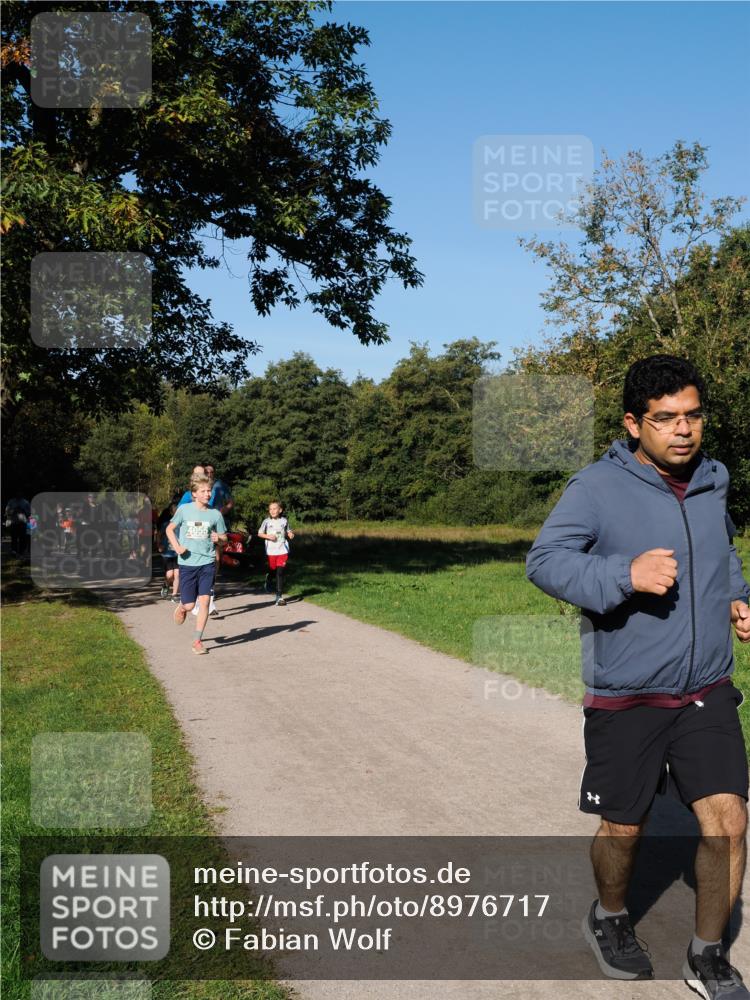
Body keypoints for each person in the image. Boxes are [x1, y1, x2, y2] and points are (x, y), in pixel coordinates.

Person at [526, 355, 750, 995]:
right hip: (628, 694)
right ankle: (612, 916)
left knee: (729, 820)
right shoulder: (595, 487)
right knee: (624, 827)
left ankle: (707, 953)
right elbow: (545, 562)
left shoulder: (713, 480)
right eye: (666, 419)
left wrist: (739, 595)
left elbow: (722, 552)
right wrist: (624, 576)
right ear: (633, 423)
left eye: (693, 415)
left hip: (705, 688)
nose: (683, 430)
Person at [166, 474, 227, 655]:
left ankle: (197, 641)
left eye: (209, 491)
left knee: (205, 601)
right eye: (204, 491)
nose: (208, 494)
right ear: (194, 493)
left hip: (207, 562)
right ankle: (183, 607)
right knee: (191, 605)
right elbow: (170, 529)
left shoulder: (215, 514)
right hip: (187, 563)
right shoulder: (184, 510)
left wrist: (220, 539)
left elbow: (224, 538)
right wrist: (177, 546)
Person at [258, 500, 295, 606]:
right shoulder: (266, 522)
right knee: (272, 569)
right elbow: (260, 533)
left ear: (280, 510)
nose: (272, 511)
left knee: (280, 572)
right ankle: (269, 578)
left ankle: (279, 597)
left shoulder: (284, 521)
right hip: (271, 550)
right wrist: (268, 536)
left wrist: (290, 534)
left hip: (282, 550)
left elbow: (288, 531)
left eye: (275, 509)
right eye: (270, 509)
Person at [157, 500, 180, 600]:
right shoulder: (166, 524)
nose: (176, 514)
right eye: (174, 512)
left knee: (177, 574)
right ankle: (166, 585)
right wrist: (159, 545)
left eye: (178, 512)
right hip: (167, 553)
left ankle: (174, 595)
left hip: (178, 553)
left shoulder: (182, 524)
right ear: (171, 513)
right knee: (170, 575)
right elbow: (158, 535)